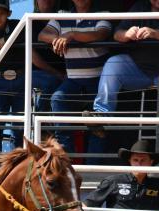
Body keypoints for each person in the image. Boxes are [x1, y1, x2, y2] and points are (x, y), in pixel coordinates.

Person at [0, 0, 64, 154]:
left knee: (19, 125)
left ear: (9, 14)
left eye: (2, 13)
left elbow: (27, 34)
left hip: (22, 79)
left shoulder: (17, 26)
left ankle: (18, 158)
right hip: (0, 80)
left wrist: (8, 40)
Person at [87, 0, 159, 136]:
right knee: (113, 63)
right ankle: (101, 116)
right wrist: (127, 34)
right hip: (139, 68)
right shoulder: (139, 7)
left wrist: (155, 33)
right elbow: (117, 34)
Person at [38, 0, 111, 155]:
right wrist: (58, 39)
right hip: (73, 81)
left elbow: (100, 34)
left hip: (99, 81)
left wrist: (70, 35)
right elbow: (42, 35)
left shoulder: (102, 14)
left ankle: (94, 165)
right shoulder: (62, 15)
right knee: (57, 99)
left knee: (98, 125)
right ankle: (66, 157)